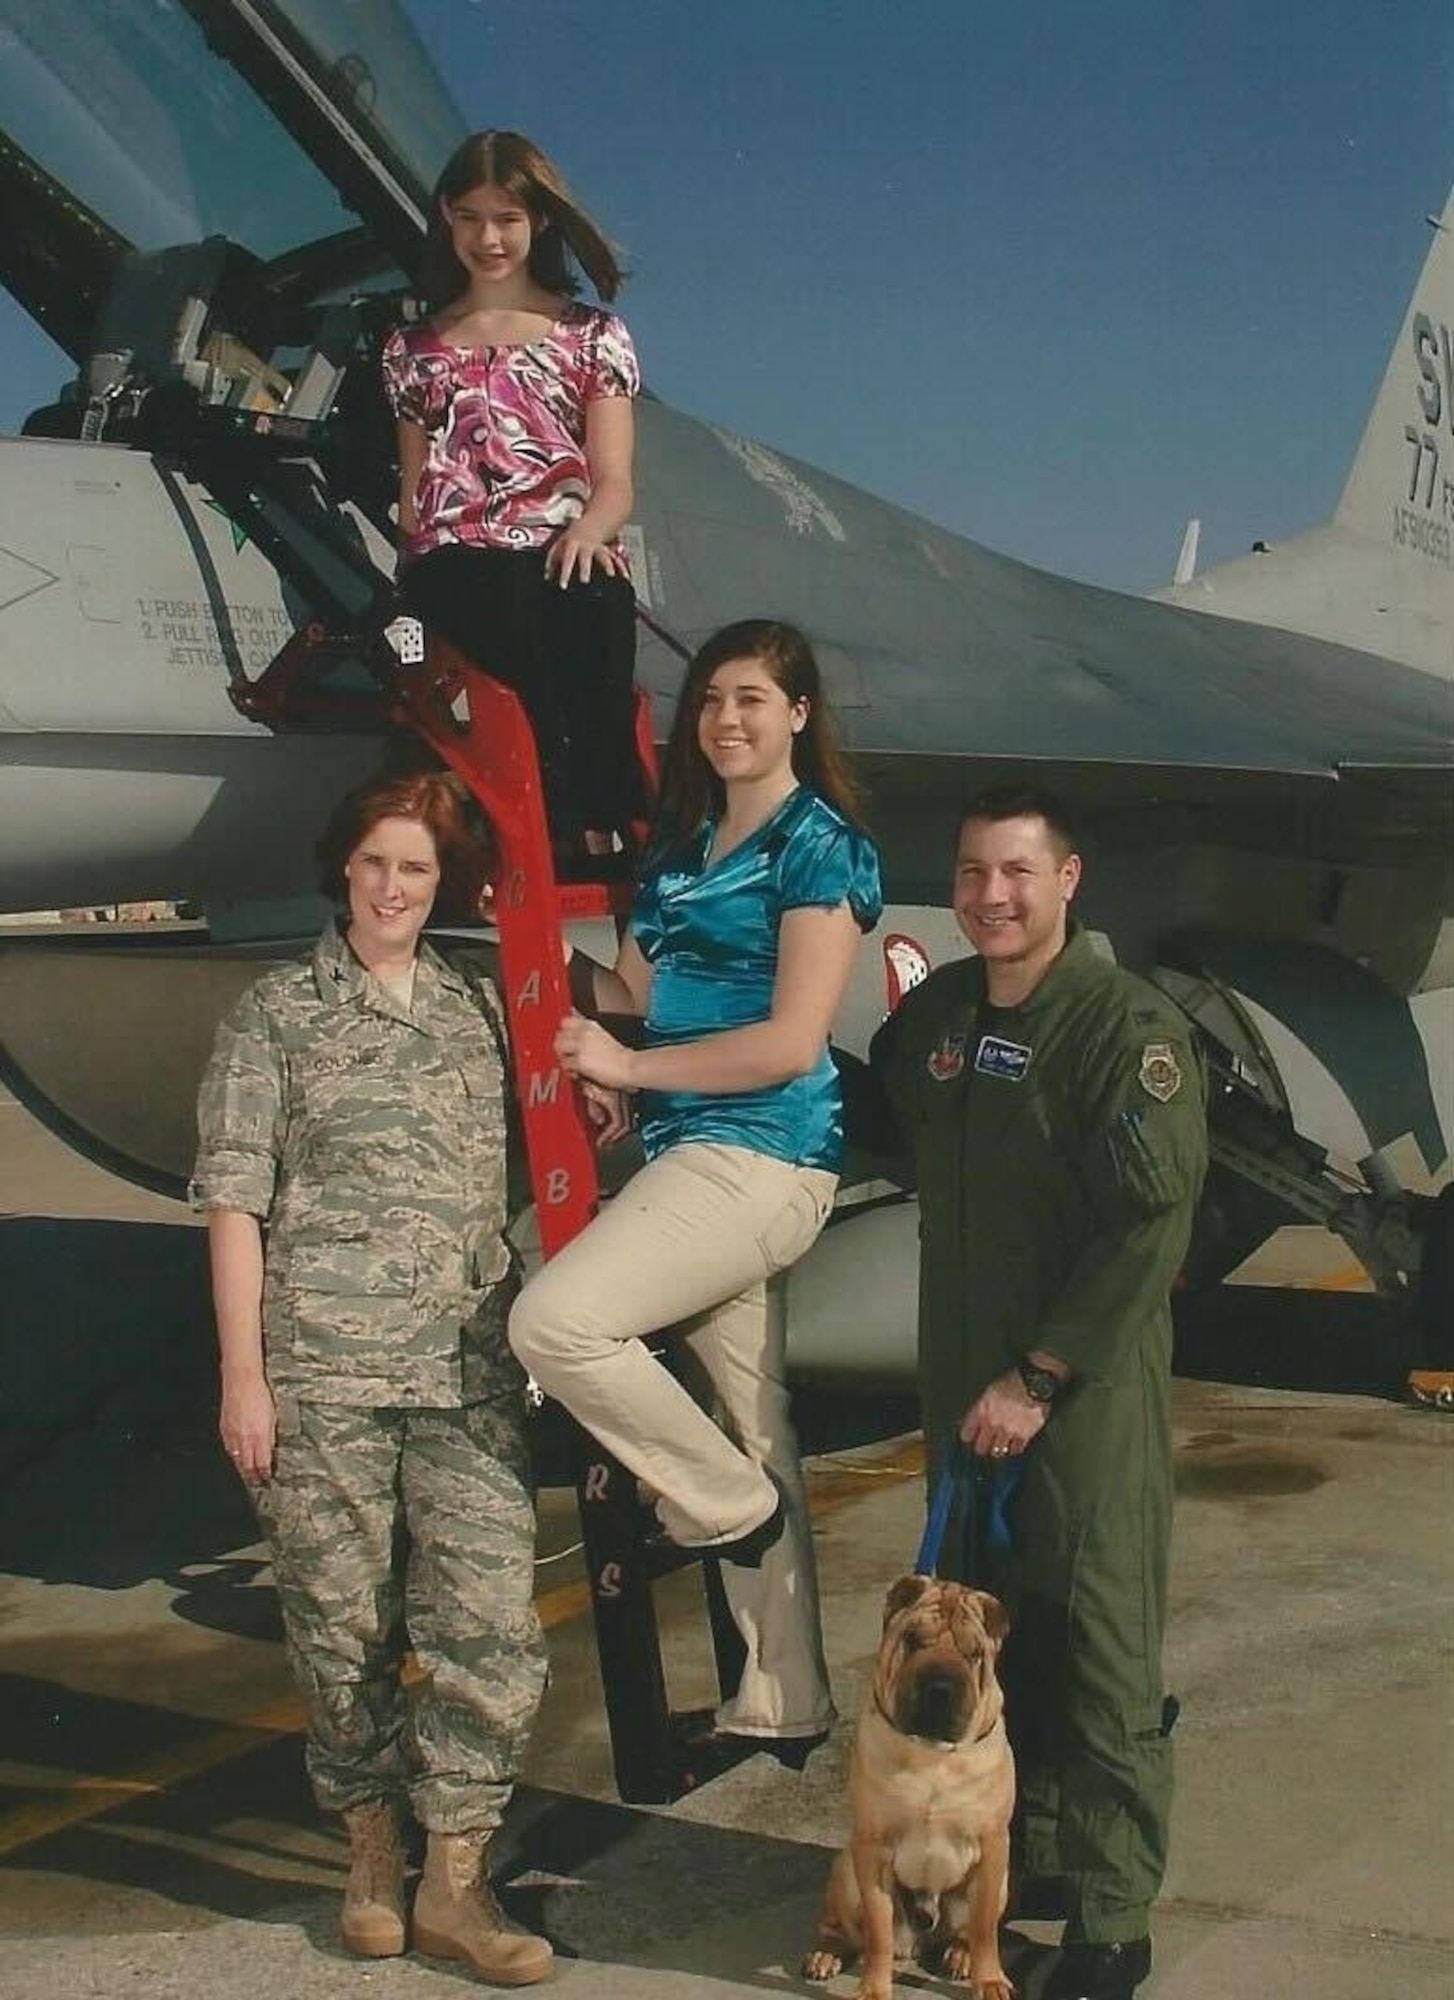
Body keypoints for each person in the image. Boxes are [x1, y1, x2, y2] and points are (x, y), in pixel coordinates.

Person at [190, 771, 552, 1986]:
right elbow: (235, 1199)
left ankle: (455, 1875)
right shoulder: (275, 1014)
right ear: (340, 869)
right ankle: (368, 1844)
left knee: (487, 1620)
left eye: (416, 869)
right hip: (324, 1374)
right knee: (341, 1626)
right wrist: (245, 1376)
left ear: (441, 883)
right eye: (374, 864)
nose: (394, 888)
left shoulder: (477, 1011)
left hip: (467, 1374)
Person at [509, 618, 883, 1753]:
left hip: (763, 1153)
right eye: (712, 699)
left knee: (556, 1321)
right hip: (686, 1150)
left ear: (798, 716)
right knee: (750, 1419)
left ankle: (721, 1506)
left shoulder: (820, 846)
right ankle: (782, 1697)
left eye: (753, 699)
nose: (727, 718)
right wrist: (513, 925)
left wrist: (629, 1066)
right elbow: (632, 993)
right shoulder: (677, 856)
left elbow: (786, 1041)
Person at [869, 789, 1207, 2000]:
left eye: (1015, 871)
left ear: (1069, 877)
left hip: (1079, 1402)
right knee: (984, 1646)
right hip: (964, 1404)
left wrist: (1041, 1372)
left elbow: (1147, 1223)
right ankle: (1028, 1872)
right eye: (968, 873)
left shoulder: (1123, 1029)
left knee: (1099, 1648)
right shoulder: (943, 1016)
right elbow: (871, 1114)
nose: (989, 896)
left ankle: (1113, 1922)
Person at [381, 129, 641, 860]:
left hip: (563, 551)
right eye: (469, 218)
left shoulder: (593, 337)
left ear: (541, 220)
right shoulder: (412, 351)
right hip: (460, 566)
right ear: (446, 217)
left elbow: (614, 481)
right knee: (508, 598)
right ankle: (552, 821)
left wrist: (590, 533)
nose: (488, 238)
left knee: (590, 597)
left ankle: (604, 809)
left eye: (507, 219)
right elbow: (414, 493)